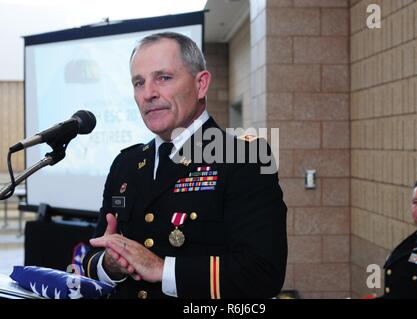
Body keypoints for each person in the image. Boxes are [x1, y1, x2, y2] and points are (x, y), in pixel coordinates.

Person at [82, 32, 287, 299]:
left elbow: (263, 274)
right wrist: (110, 264)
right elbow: (94, 253)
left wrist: (161, 268)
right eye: (138, 83)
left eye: (163, 78)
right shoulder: (126, 164)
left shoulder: (244, 158)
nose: (148, 94)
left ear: (201, 85)